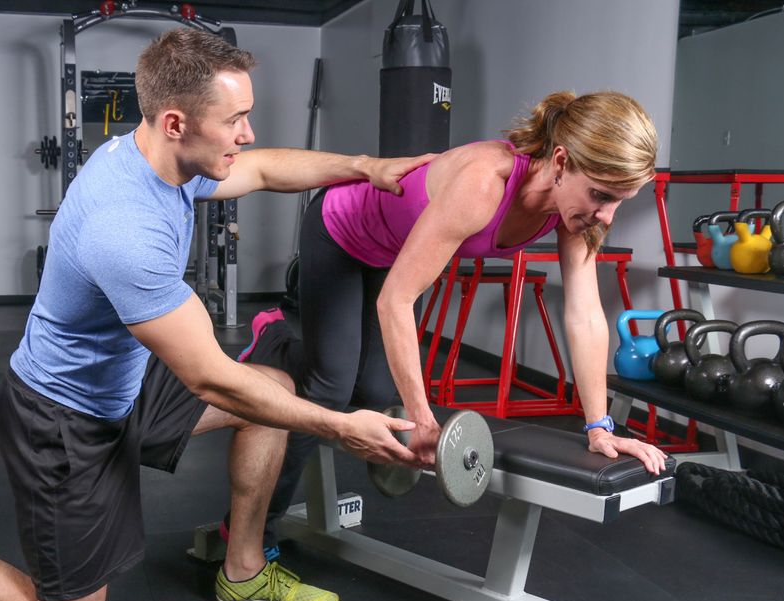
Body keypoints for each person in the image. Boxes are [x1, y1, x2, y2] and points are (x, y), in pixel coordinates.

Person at [0, 28, 434, 601]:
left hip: (130, 383)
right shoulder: (123, 226)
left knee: (273, 391)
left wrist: (365, 168)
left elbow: (263, 169)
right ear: (177, 122)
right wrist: (341, 425)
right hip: (65, 417)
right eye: (236, 120)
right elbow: (210, 376)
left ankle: (243, 571)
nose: (248, 134)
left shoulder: (170, 160)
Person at [231, 90, 670, 556]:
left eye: (620, 201)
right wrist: (422, 418)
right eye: (601, 195)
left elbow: (584, 315)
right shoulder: (484, 182)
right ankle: (257, 534)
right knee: (329, 389)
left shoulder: (579, 213)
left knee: (376, 395)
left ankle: (292, 347)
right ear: (561, 161)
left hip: (396, 250)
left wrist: (599, 427)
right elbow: (397, 302)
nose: (606, 214)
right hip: (342, 230)